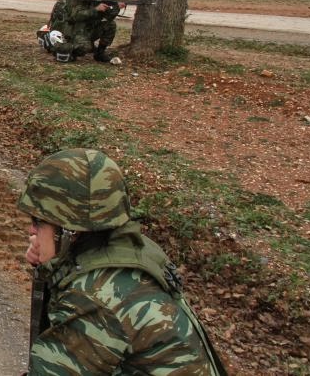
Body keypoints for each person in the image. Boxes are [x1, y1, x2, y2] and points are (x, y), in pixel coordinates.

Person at [18, 148, 227, 375]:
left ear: (69, 231)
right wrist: (50, 263)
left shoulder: (94, 298)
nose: (31, 229)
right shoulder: (130, 249)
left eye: (39, 221)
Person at [52, 0, 122, 63]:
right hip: (75, 32)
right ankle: (66, 50)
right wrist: (96, 9)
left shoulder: (93, 0)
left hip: (89, 30)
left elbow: (108, 17)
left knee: (110, 25)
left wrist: (116, 8)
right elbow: (76, 16)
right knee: (84, 48)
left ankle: (100, 53)